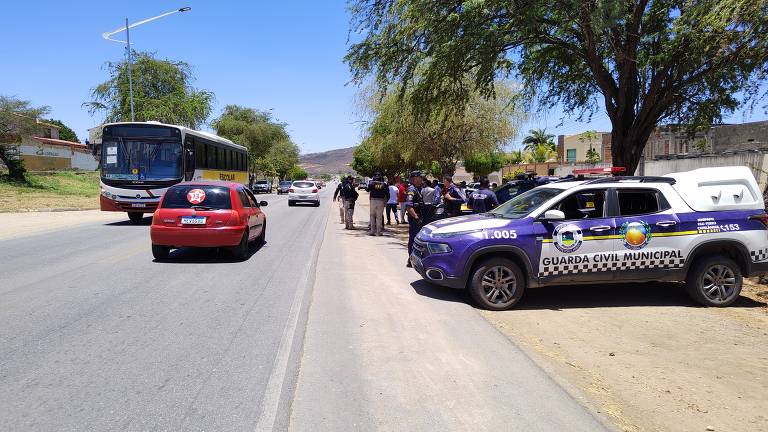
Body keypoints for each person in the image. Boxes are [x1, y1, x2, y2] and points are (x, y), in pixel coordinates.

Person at [405, 171, 426, 267]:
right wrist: (416, 217)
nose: (421, 179)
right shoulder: (412, 189)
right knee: (413, 239)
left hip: (418, 218)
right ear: (415, 178)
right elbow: (409, 206)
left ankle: (413, 259)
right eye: (420, 177)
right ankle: (411, 259)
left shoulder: (418, 188)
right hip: (414, 219)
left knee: (417, 239)